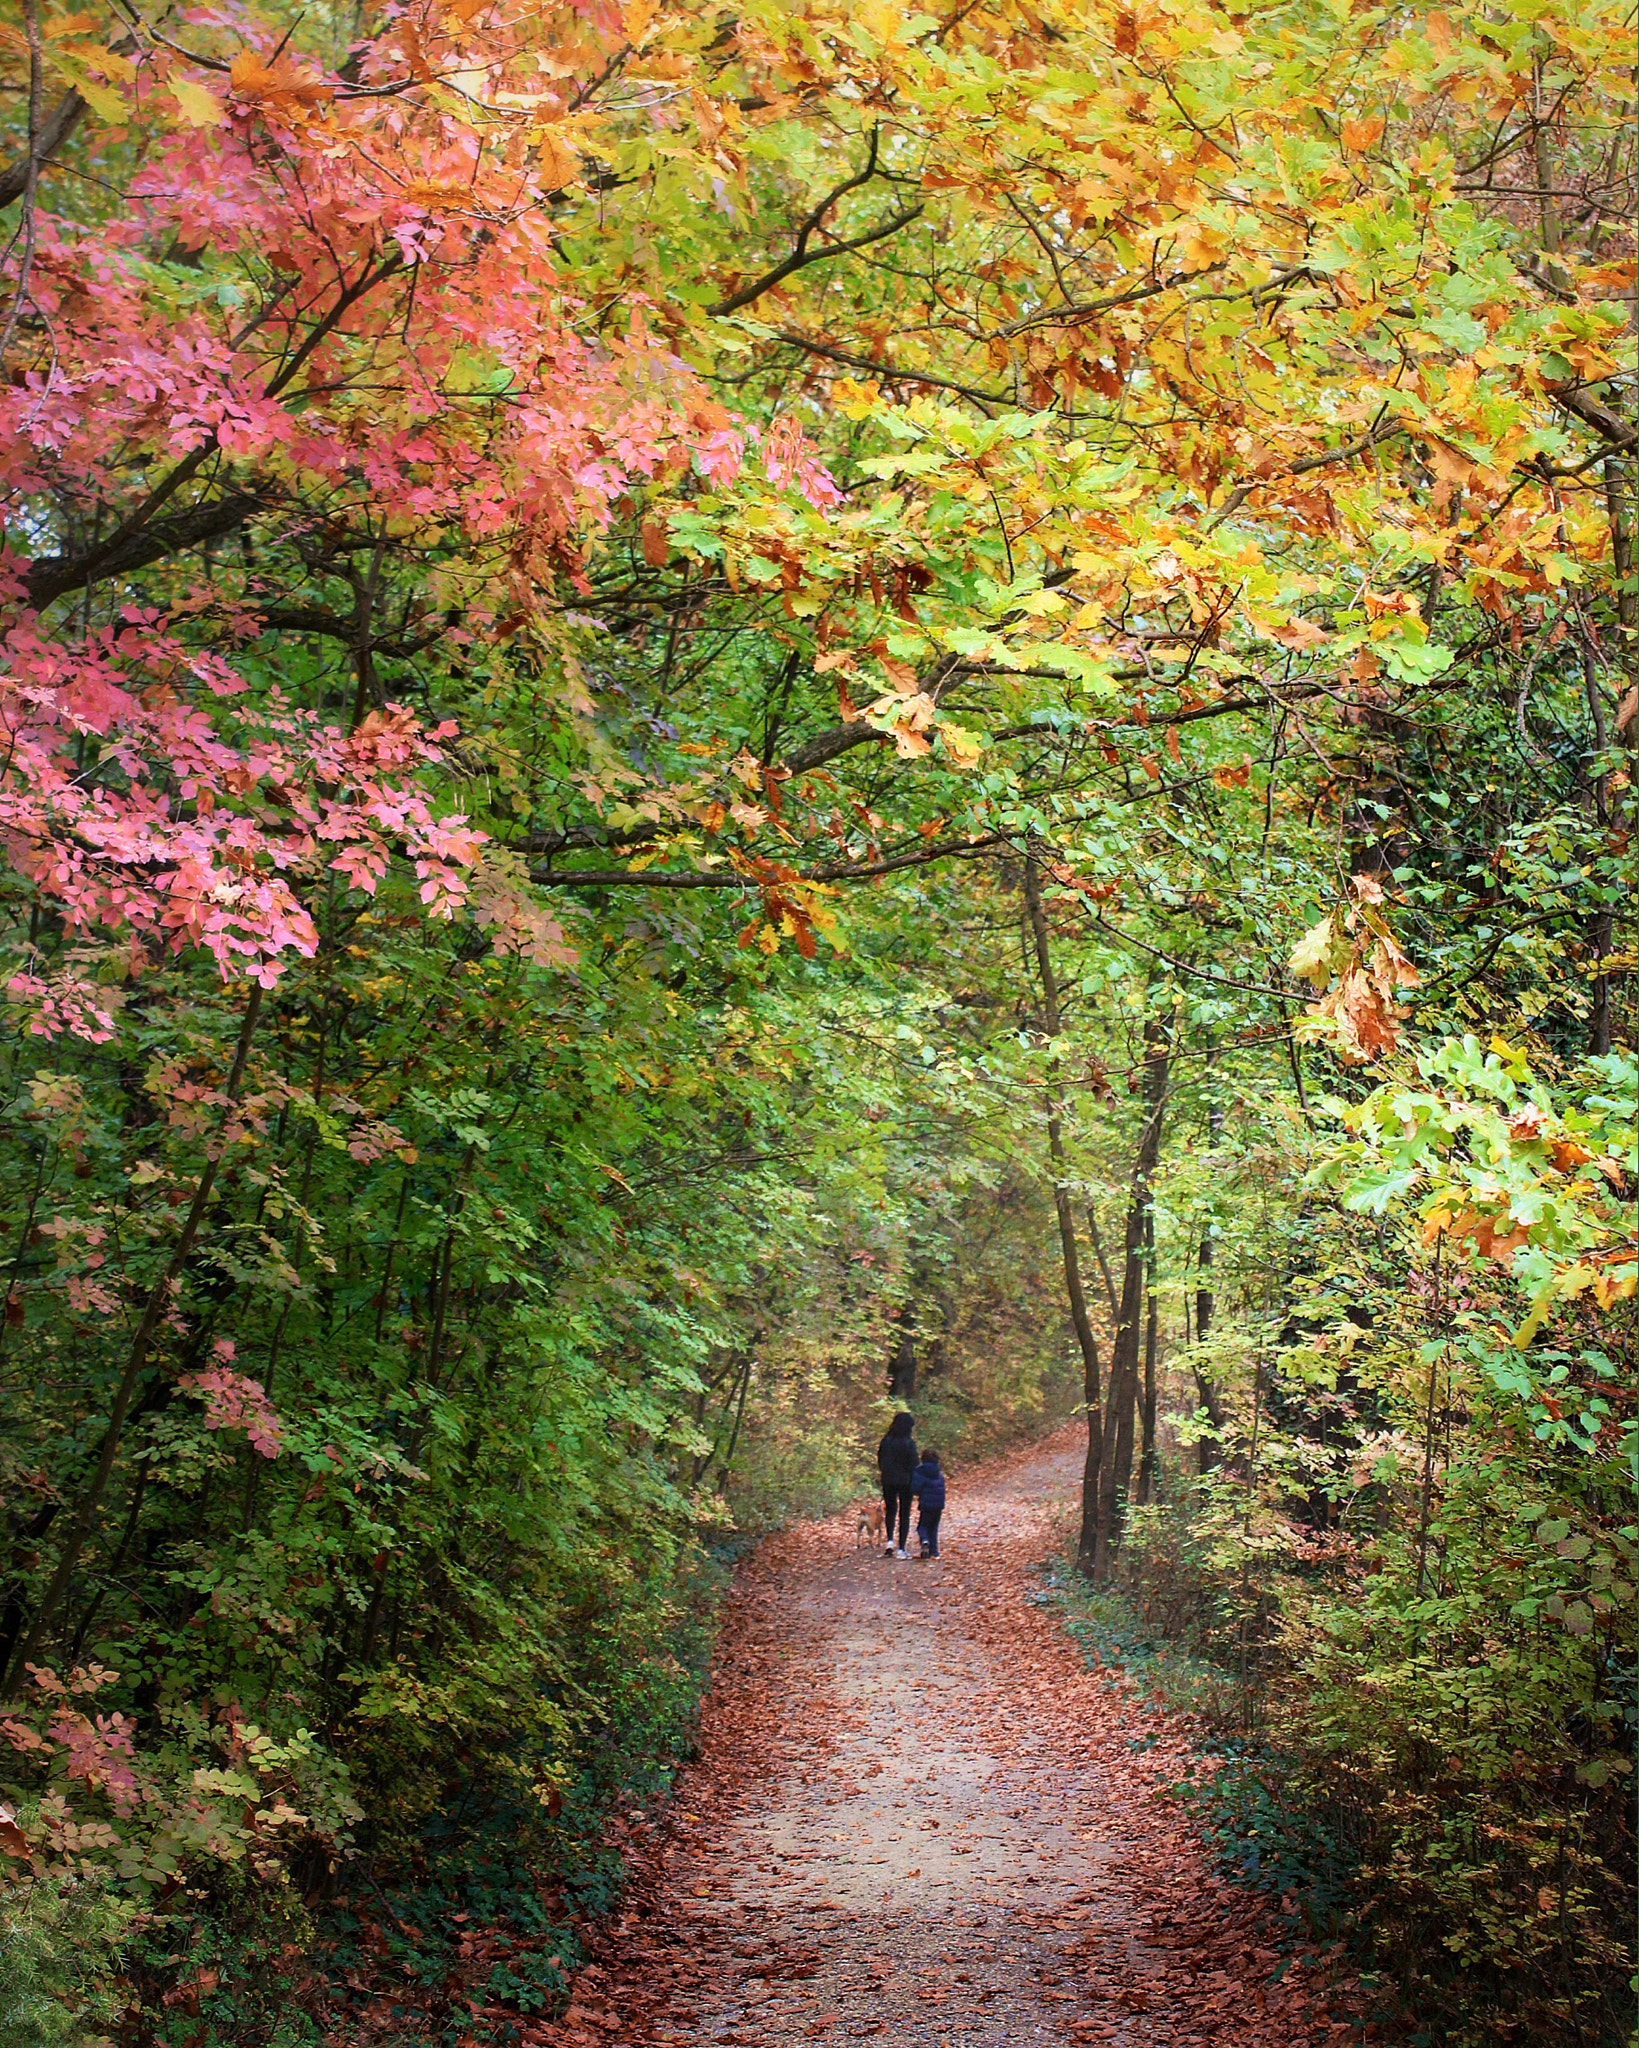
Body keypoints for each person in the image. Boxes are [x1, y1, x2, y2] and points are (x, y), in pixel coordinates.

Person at [877, 1412, 918, 1559]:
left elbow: (880, 1458)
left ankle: (889, 1542)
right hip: (906, 1481)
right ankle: (901, 1548)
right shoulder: (908, 1443)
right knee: (904, 1513)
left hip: (888, 1479)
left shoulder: (886, 1441)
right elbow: (914, 1464)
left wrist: (885, 1472)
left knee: (891, 1510)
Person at [911, 1448, 946, 1559]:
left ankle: (925, 1541)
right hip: (939, 1504)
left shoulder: (920, 1471)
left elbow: (915, 1488)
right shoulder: (938, 1472)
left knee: (922, 1527)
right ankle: (934, 1552)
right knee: (934, 1527)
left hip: (926, 1504)